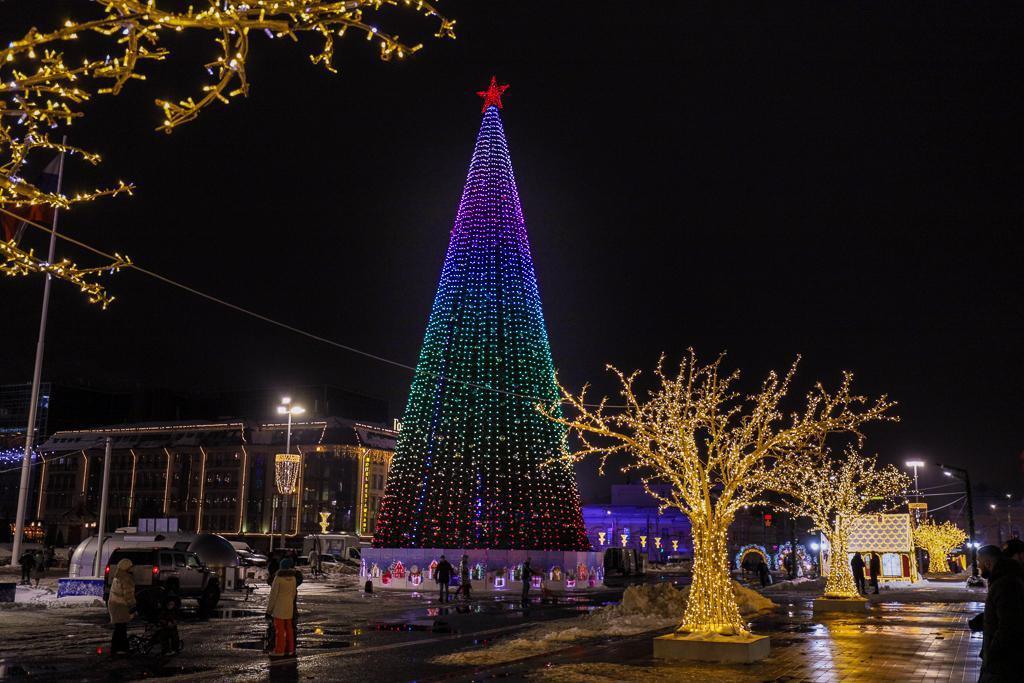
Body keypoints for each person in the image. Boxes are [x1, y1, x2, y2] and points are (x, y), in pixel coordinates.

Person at [975, 545, 1024, 682]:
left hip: (1004, 663)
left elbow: (1009, 624)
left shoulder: (1005, 584)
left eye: (979, 562)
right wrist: (982, 620)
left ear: (988, 563)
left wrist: (992, 654)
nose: (978, 566)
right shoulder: (1005, 580)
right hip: (1004, 660)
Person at [266, 557, 300, 657]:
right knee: (289, 629)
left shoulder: (278, 578)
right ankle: (291, 649)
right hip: (289, 607)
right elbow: (294, 593)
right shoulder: (293, 578)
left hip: (279, 608)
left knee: (279, 630)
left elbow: (273, 595)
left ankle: (279, 650)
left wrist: (269, 611)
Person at [107, 558, 137, 656]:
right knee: (121, 628)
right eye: (130, 566)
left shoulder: (118, 576)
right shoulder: (126, 578)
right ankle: (121, 648)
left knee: (119, 627)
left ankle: (118, 648)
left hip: (114, 604)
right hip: (121, 605)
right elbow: (128, 595)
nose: (132, 568)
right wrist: (132, 607)